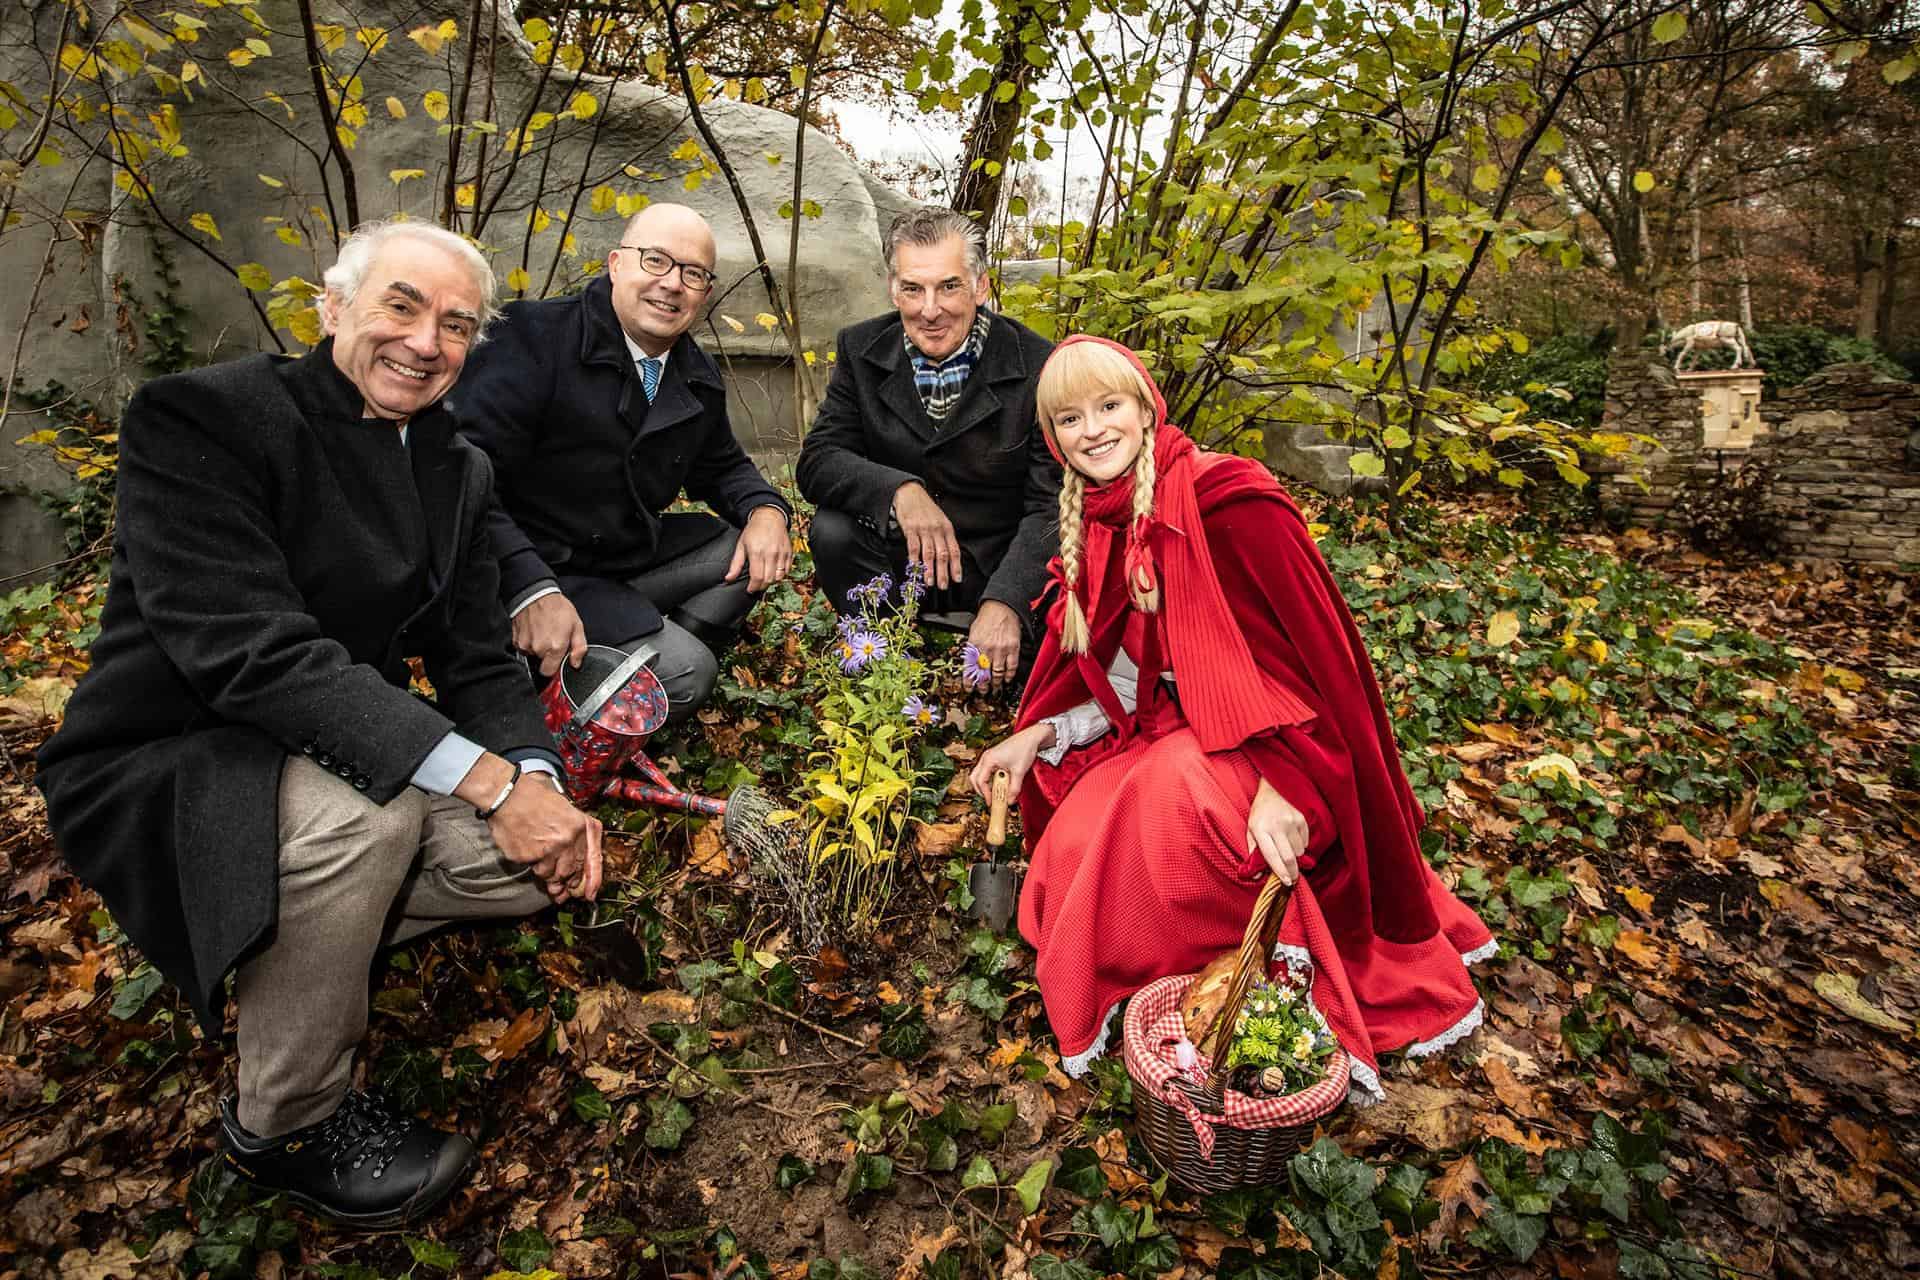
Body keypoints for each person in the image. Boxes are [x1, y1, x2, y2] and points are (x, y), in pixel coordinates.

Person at [35, 221, 603, 1227]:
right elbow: (255, 652)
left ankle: (294, 935)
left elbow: (477, 656)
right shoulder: (204, 418)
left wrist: (537, 777)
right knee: (366, 821)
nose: (427, 341)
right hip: (177, 752)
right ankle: (284, 1120)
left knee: (523, 863)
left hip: (342, 741)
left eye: (457, 324)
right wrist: (488, 784)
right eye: (401, 305)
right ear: (333, 306)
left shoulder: (456, 469)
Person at [968, 336, 1493, 1099]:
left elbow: (1324, 675)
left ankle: (1267, 973)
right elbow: (1122, 678)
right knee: (1080, 827)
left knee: (1162, 800)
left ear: (1146, 408)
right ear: (1053, 439)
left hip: (1285, 750)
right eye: (1070, 418)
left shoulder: (1233, 504)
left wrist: (1292, 786)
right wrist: (1042, 732)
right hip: (1183, 733)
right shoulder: (1100, 521)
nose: (1093, 430)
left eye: (1109, 406)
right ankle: (1167, 982)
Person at [456, 203, 793, 719]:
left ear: (705, 292)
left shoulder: (693, 371)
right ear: (616, 264)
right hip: (520, 568)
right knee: (689, 673)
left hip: (615, 564)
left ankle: (620, 654)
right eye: (656, 260)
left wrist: (768, 511)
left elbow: (722, 465)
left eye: (693, 273)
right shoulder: (531, 336)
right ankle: (569, 685)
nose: (673, 284)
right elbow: (465, 479)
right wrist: (528, 588)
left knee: (739, 545)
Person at [796, 206, 1059, 685]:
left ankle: (999, 633)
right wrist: (899, 491)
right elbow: (819, 459)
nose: (929, 309)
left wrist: (1008, 600)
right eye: (913, 289)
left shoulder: (1041, 364)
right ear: (893, 288)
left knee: (1034, 672)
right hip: (900, 564)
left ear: (981, 285)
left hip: (993, 566)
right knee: (832, 530)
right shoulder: (861, 348)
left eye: (949, 286)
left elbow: (1052, 507)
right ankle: (880, 664)